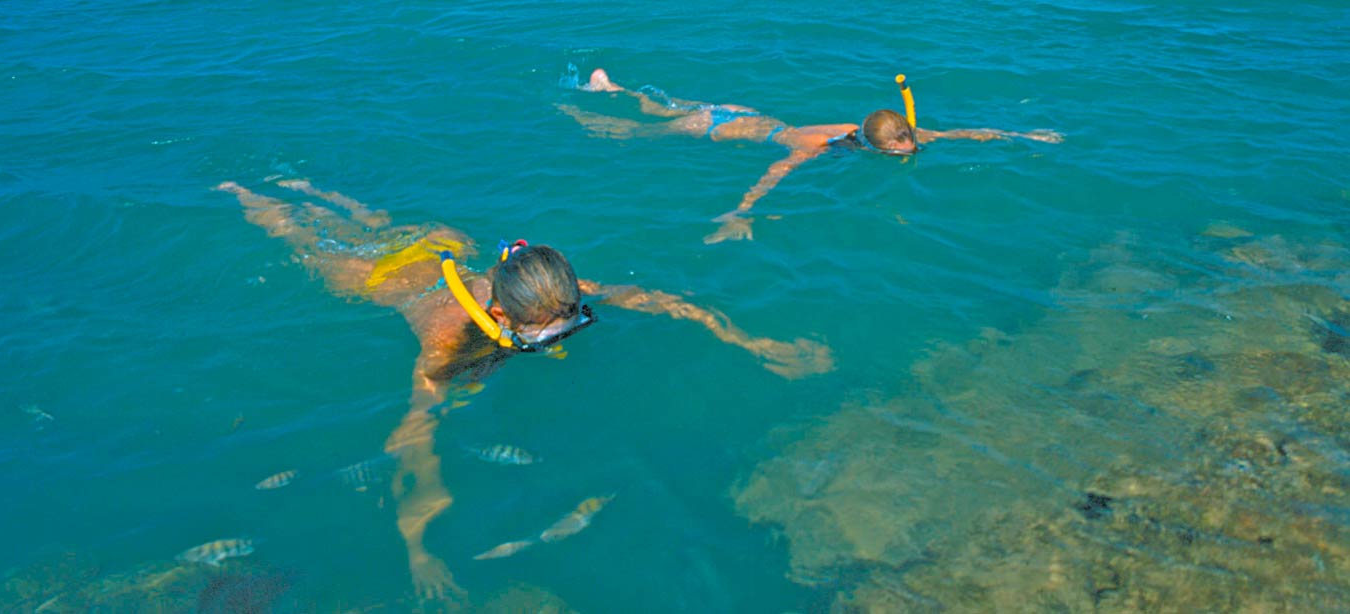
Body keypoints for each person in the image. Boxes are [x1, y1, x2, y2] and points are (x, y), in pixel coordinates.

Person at [215, 178, 833, 600]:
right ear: (506, 321)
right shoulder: (447, 343)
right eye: (544, 339)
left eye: (576, 320)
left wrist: (757, 345)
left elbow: (658, 297)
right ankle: (247, 192)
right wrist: (418, 542)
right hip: (378, 276)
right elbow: (412, 437)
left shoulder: (549, 292)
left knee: (364, 220)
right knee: (302, 234)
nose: (564, 336)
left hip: (442, 241)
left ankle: (305, 186)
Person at [562, 68, 1064, 244]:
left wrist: (1021, 136)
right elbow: (775, 170)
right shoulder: (818, 147)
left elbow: (960, 134)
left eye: (910, 140)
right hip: (719, 129)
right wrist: (741, 212)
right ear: (877, 145)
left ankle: (609, 86)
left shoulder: (892, 132)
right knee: (634, 133)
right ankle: (578, 112)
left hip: (744, 113)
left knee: (663, 104)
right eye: (902, 146)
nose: (910, 148)